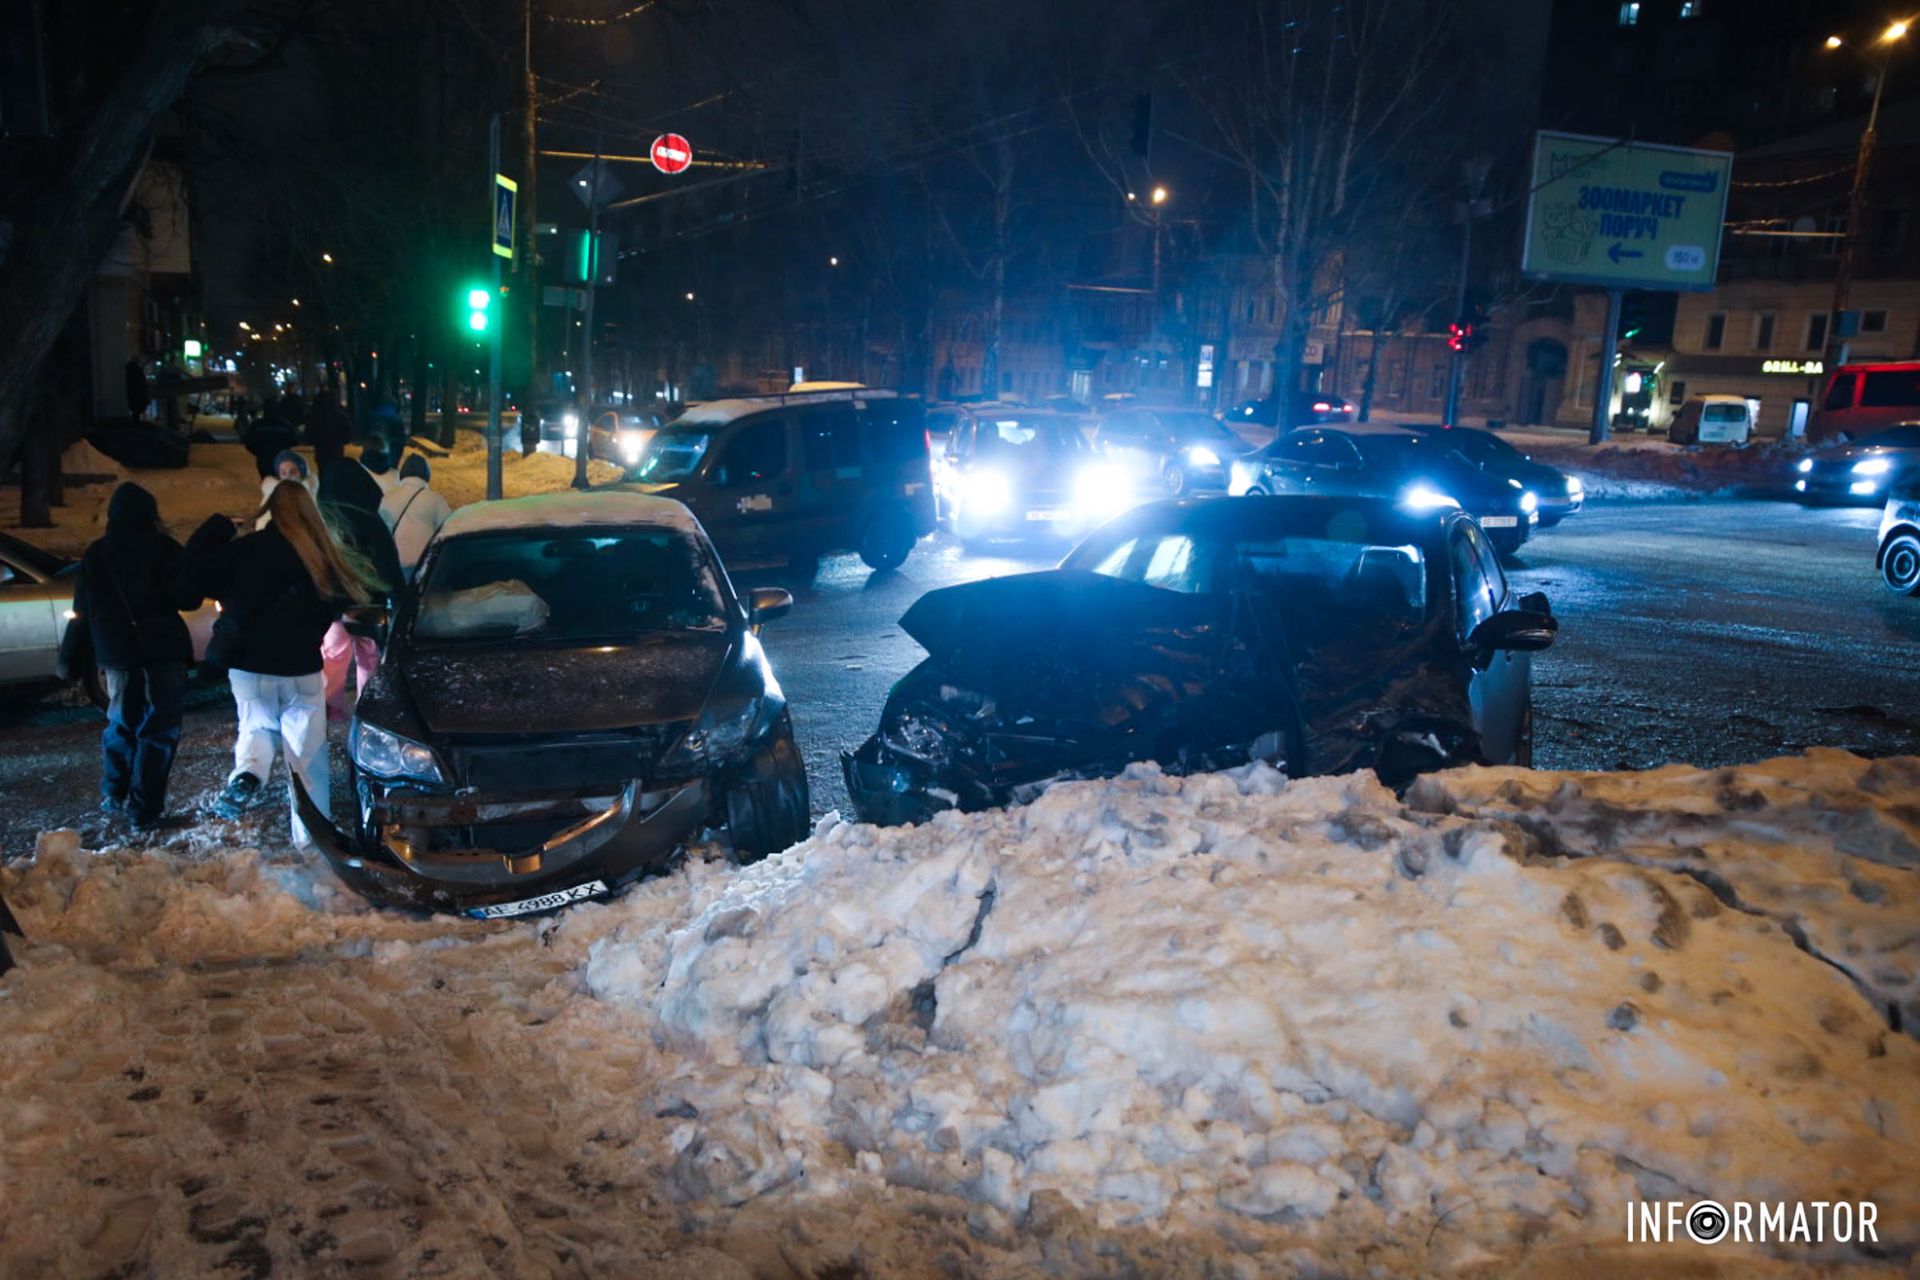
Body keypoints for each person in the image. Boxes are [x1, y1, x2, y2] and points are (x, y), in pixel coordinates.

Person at [185, 482, 378, 845]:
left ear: (270, 510)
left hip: (248, 667)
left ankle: (248, 775)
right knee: (309, 762)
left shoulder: (244, 551)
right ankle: (311, 841)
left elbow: (190, 577)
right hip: (300, 669)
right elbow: (346, 603)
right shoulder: (320, 556)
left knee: (256, 727)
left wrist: (218, 528)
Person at [59, 484, 203, 830]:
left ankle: (114, 792)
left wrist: (70, 657)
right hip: (161, 652)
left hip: (116, 654)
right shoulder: (164, 549)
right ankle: (144, 809)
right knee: (158, 729)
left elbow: (82, 609)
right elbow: (187, 599)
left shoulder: (97, 553)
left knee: (121, 721)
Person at [317, 457, 402, 718]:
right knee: (369, 655)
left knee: (332, 655)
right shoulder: (370, 520)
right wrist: (398, 597)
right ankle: (369, 708)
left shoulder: (324, 524)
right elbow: (387, 563)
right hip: (369, 604)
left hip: (333, 605)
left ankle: (331, 707)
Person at [379, 454, 454, 578]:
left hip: (394, 562)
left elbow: (381, 532)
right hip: (424, 562)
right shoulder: (435, 499)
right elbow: (447, 530)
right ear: (426, 475)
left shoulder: (387, 498)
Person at [257, 450, 319, 529]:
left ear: (302, 473)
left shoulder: (311, 493)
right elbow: (262, 524)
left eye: (293, 472)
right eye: (283, 473)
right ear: (279, 476)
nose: (288, 476)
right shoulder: (271, 494)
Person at [305, 388, 353, 472]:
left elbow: (308, 437)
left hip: (321, 452)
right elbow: (347, 437)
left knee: (323, 475)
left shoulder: (314, 417)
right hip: (336, 452)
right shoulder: (342, 416)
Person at [124, 357, 150, 425]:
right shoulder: (137, 371)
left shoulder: (130, 372)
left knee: (135, 412)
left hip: (133, 395)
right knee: (137, 411)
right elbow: (141, 383)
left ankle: (135, 423)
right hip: (138, 395)